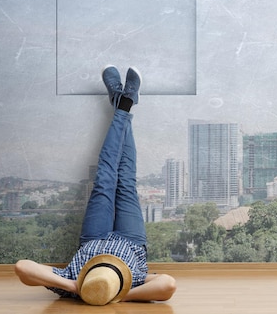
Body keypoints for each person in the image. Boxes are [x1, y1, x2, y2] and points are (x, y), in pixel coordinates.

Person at [15, 66, 176, 305]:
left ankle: (123, 104)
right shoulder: (133, 283)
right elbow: (167, 285)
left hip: (94, 237)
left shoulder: (73, 283)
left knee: (105, 179)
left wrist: (78, 286)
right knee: (126, 180)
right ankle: (123, 105)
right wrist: (118, 293)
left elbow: (22, 268)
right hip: (131, 241)